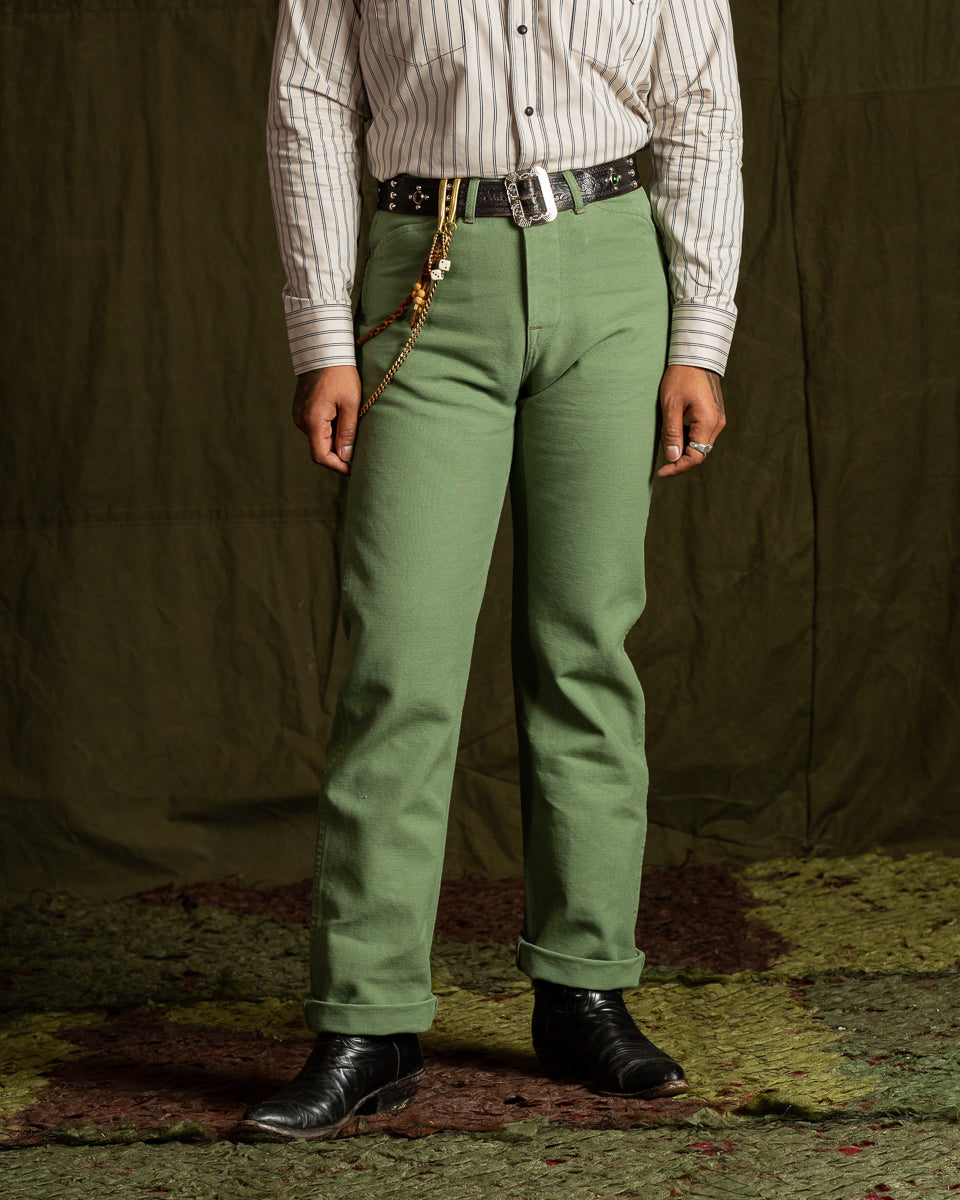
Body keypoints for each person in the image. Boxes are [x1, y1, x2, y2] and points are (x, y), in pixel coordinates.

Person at [240, 0, 742, 1140]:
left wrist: (698, 335)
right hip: (425, 270)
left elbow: (702, 109)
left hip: (613, 271)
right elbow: (310, 106)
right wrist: (322, 332)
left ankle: (584, 988)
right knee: (400, 659)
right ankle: (369, 1022)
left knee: (584, 647)